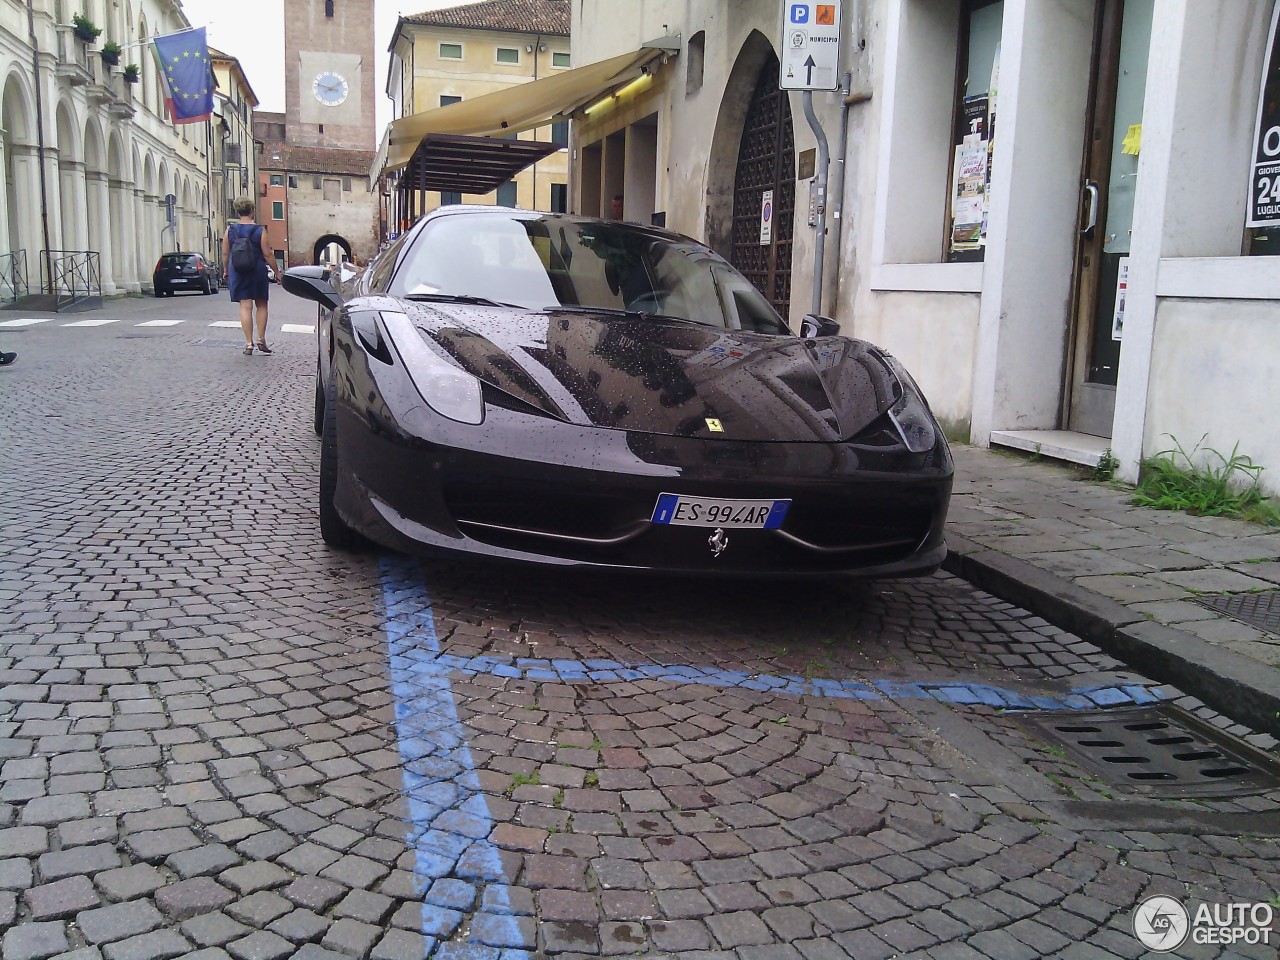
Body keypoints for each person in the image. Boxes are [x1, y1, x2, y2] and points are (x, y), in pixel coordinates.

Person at [222, 196, 275, 355]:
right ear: (252, 211)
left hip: (238, 269)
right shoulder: (259, 230)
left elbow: (225, 253)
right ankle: (261, 338)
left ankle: (249, 343)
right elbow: (268, 254)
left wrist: (225, 270)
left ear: (238, 212)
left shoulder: (230, 230)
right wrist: (277, 272)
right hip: (257, 269)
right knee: (262, 304)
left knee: (245, 306)